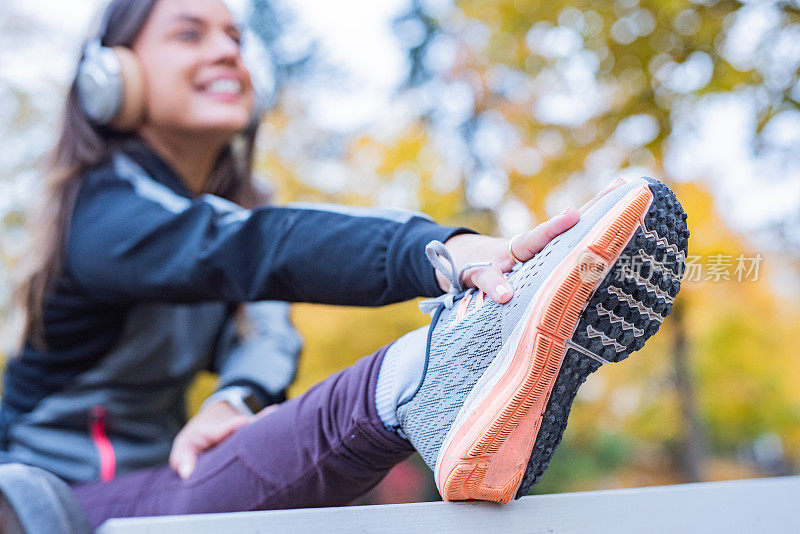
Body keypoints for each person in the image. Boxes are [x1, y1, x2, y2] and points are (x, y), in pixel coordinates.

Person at [0, 0, 689, 531]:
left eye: (236, 39)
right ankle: (434, 369)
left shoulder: (226, 211)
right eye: (190, 34)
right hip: (41, 503)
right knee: (202, 491)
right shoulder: (104, 213)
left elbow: (266, 331)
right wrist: (454, 251)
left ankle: (443, 368)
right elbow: (261, 247)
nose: (227, 53)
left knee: (222, 463)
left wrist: (233, 397)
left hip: (153, 476)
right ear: (108, 74)